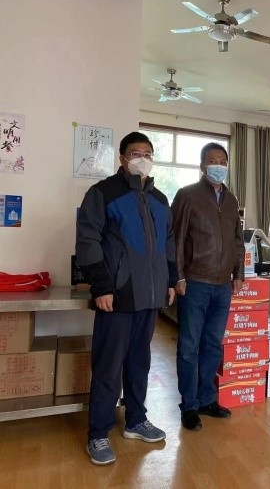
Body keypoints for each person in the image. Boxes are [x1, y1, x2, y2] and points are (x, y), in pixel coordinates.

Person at [76, 131, 178, 466]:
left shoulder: (160, 199)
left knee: (139, 363)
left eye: (147, 153)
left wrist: (170, 280)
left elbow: (169, 244)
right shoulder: (103, 193)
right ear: (122, 158)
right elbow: (88, 240)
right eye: (135, 153)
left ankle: (135, 420)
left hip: (150, 297)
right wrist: (101, 286)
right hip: (117, 295)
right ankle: (98, 433)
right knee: (108, 366)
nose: (142, 158)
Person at [171, 142, 245, 431]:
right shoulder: (187, 195)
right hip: (195, 283)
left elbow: (238, 241)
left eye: (223, 161)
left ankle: (206, 399)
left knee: (213, 345)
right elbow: (176, 238)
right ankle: (189, 405)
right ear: (202, 165)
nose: (219, 165)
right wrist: (177, 276)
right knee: (189, 347)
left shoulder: (231, 200)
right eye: (213, 161)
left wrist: (238, 273)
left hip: (223, 286)